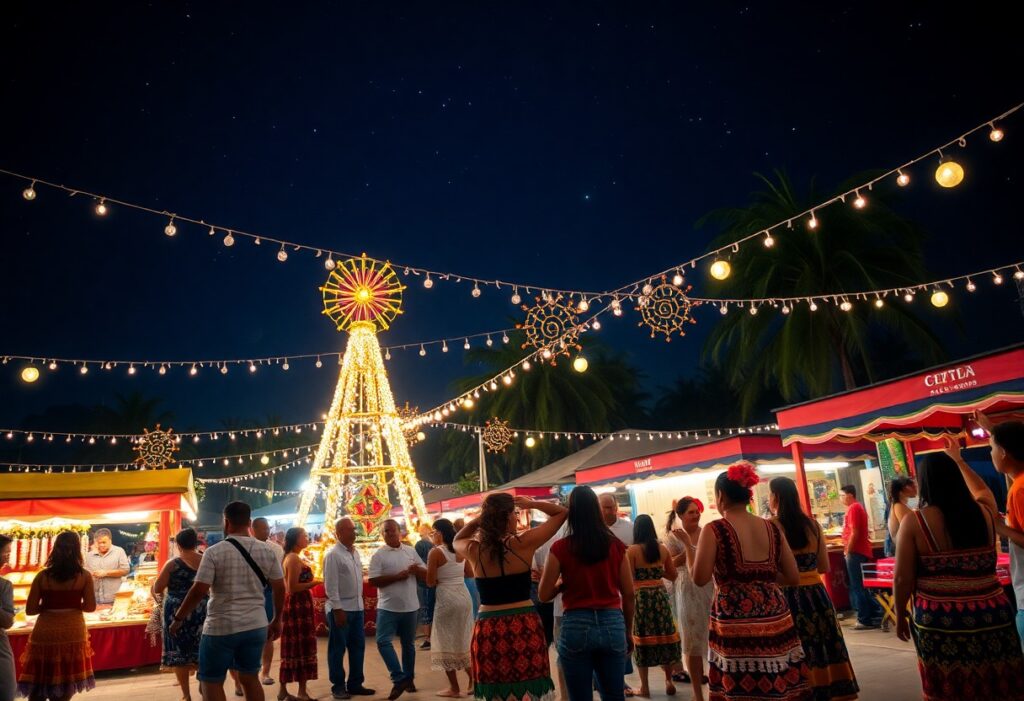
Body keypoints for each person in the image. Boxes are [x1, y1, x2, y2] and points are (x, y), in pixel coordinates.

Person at [893, 451, 1024, 699]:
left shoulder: (915, 522)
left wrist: (900, 614)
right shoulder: (985, 513)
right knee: (998, 682)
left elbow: (902, 578)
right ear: (957, 478)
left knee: (949, 686)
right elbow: (983, 490)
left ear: (924, 482)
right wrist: (960, 461)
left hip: (940, 619)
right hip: (992, 612)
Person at [682, 464, 809, 701]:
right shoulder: (771, 527)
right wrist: (762, 578)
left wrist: (692, 552)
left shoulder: (715, 529)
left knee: (741, 685)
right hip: (774, 615)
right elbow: (792, 577)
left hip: (735, 618)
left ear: (721, 496)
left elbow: (699, 578)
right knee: (776, 678)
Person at [456, 494, 567, 701]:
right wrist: (531, 503)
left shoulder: (474, 549)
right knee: (528, 686)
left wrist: (481, 519)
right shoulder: (523, 543)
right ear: (508, 517)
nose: (517, 518)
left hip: (488, 627)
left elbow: (457, 540)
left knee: (497, 689)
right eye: (515, 514)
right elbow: (561, 513)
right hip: (523, 624)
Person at [170, 501, 285, 701]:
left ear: (226, 522)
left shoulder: (214, 552)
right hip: (256, 625)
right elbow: (280, 587)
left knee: (211, 681)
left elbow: (198, 590)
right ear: (249, 522)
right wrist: (277, 619)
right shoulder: (267, 551)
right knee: (250, 677)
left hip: (221, 628)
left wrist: (178, 618)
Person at [537, 486, 632, 701]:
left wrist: (561, 585)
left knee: (579, 696)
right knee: (614, 695)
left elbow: (543, 594)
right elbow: (629, 593)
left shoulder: (560, 548)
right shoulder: (616, 546)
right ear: (596, 511)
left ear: (572, 512)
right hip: (612, 622)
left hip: (575, 624)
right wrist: (628, 630)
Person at [769, 478, 858, 701]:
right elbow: (824, 567)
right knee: (823, 642)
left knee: (796, 646)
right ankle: (833, 689)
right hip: (816, 594)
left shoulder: (772, 526)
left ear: (776, 498)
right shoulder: (813, 525)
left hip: (787, 596)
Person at [948, 417, 1024, 650]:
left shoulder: (1019, 490)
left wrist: (998, 527)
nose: (990, 455)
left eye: (991, 448)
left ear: (1003, 452)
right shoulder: (1019, 483)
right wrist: (994, 431)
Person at [17, 530, 97, 700]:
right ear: (77, 550)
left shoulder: (42, 576)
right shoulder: (84, 576)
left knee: (38, 685)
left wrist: (49, 605)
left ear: (55, 548)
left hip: (45, 631)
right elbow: (90, 607)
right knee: (65, 685)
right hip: (73, 632)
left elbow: (30, 610)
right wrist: (72, 604)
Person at [368, 519, 426, 700]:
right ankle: (399, 677)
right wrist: (396, 577)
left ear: (399, 532)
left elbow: (425, 572)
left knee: (408, 645)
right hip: (388, 607)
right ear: (382, 534)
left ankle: (408, 679)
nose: (390, 534)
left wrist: (417, 570)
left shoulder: (410, 551)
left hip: (410, 606)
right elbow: (373, 581)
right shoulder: (378, 555)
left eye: (393, 530)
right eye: (386, 531)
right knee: (383, 642)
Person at [626, 514, 680, 698]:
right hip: (660, 596)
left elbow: (629, 578)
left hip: (641, 598)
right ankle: (669, 680)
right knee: (664, 636)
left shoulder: (631, 551)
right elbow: (673, 576)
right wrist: (657, 572)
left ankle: (645, 688)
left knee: (642, 639)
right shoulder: (662, 549)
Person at [153, 528, 207, 701]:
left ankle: (186, 695)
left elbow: (158, 588)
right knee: (201, 647)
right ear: (195, 542)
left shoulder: (173, 564)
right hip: (201, 608)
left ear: (177, 544)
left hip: (176, 610)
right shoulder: (205, 560)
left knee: (178, 652)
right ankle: (203, 683)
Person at [667, 497, 713, 701]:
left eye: (697, 511)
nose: (696, 515)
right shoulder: (673, 537)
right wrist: (688, 548)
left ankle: (714, 687)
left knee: (711, 637)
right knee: (692, 639)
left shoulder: (706, 533)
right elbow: (669, 565)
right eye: (691, 512)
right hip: (686, 588)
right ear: (681, 516)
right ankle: (697, 693)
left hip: (708, 585)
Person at [323, 517, 374, 700]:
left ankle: (355, 683)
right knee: (337, 649)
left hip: (357, 608)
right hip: (341, 609)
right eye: (350, 529)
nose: (354, 532)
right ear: (339, 533)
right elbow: (330, 586)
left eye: (354, 529)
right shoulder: (333, 555)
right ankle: (338, 686)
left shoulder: (355, 552)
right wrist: (337, 609)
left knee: (358, 647)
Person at [426, 519, 474, 697]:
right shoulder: (460, 549)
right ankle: (473, 679)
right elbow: (470, 573)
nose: (432, 536)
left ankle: (454, 687)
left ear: (439, 532)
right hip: (463, 595)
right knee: (463, 639)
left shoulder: (436, 552)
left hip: (447, 598)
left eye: (433, 532)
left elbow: (430, 582)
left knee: (446, 641)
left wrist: (441, 578)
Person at [597, 492, 636, 696]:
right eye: (604, 507)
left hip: (623, 592)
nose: (608, 511)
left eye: (610, 507)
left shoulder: (629, 529)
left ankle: (619, 680)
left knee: (620, 644)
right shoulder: (591, 532)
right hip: (603, 595)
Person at [278, 527, 321, 701]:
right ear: (296, 539)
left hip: (297, 606)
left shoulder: (291, 557)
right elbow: (292, 587)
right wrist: (314, 583)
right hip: (298, 607)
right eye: (304, 536)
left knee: (292, 647)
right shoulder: (294, 558)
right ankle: (302, 692)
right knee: (301, 646)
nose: (307, 538)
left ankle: (284, 690)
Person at [839, 485, 881, 629]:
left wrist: (848, 551)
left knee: (857, 586)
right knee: (860, 586)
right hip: (859, 551)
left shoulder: (854, 508)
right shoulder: (856, 508)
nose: (841, 499)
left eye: (842, 495)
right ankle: (876, 613)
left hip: (856, 551)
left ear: (850, 495)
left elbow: (855, 532)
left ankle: (864, 618)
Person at [253, 517, 285, 686]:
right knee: (249, 634)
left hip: (268, 591)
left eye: (268, 528)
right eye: (263, 528)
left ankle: (265, 672)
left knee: (268, 635)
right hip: (251, 592)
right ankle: (249, 672)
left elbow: (279, 579)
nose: (266, 531)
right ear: (253, 529)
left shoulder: (276, 549)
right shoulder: (245, 547)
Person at [83, 527, 129, 605]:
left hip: (114, 599)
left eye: (104, 542)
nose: (101, 545)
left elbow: (125, 570)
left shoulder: (119, 551)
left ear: (110, 541)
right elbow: (85, 573)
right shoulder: (89, 555)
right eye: (98, 543)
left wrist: (106, 573)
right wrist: (89, 574)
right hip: (95, 599)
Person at [414, 524, 436, 650]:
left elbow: (416, 562)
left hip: (423, 581)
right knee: (431, 608)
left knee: (424, 609)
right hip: (433, 581)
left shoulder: (419, 545)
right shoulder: (435, 546)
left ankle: (428, 638)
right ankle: (432, 637)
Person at [0, 534, 16, 701]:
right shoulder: (4, 586)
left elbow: (7, 621)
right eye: (6, 553)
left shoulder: (4, 585)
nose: (7, 558)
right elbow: (7, 621)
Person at [885, 478, 917, 556]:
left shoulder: (899, 505)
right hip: (903, 549)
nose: (915, 488)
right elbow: (909, 527)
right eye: (912, 486)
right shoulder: (898, 506)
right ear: (904, 489)